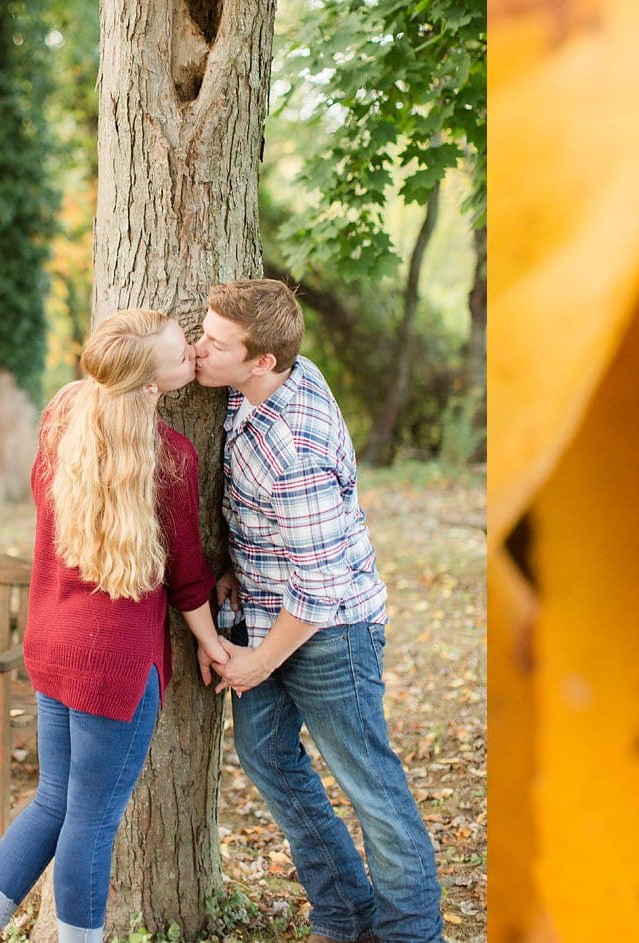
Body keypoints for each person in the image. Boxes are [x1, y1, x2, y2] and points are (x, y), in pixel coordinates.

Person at [0, 308, 231, 943]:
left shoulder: (61, 420)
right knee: (91, 820)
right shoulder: (171, 459)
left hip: (51, 641)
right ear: (152, 388)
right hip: (114, 665)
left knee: (53, 801)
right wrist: (213, 644)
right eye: (183, 355)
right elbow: (186, 577)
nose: (194, 358)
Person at [192, 279, 444, 943]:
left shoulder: (294, 451)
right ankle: (346, 914)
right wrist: (233, 568)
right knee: (266, 754)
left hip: (329, 630)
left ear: (261, 362)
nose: (198, 349)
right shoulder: (260, 383)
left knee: (372, 789)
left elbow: (321, 583)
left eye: (215, 344)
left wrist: (254, 662)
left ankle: (412, 934)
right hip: (269, 604)